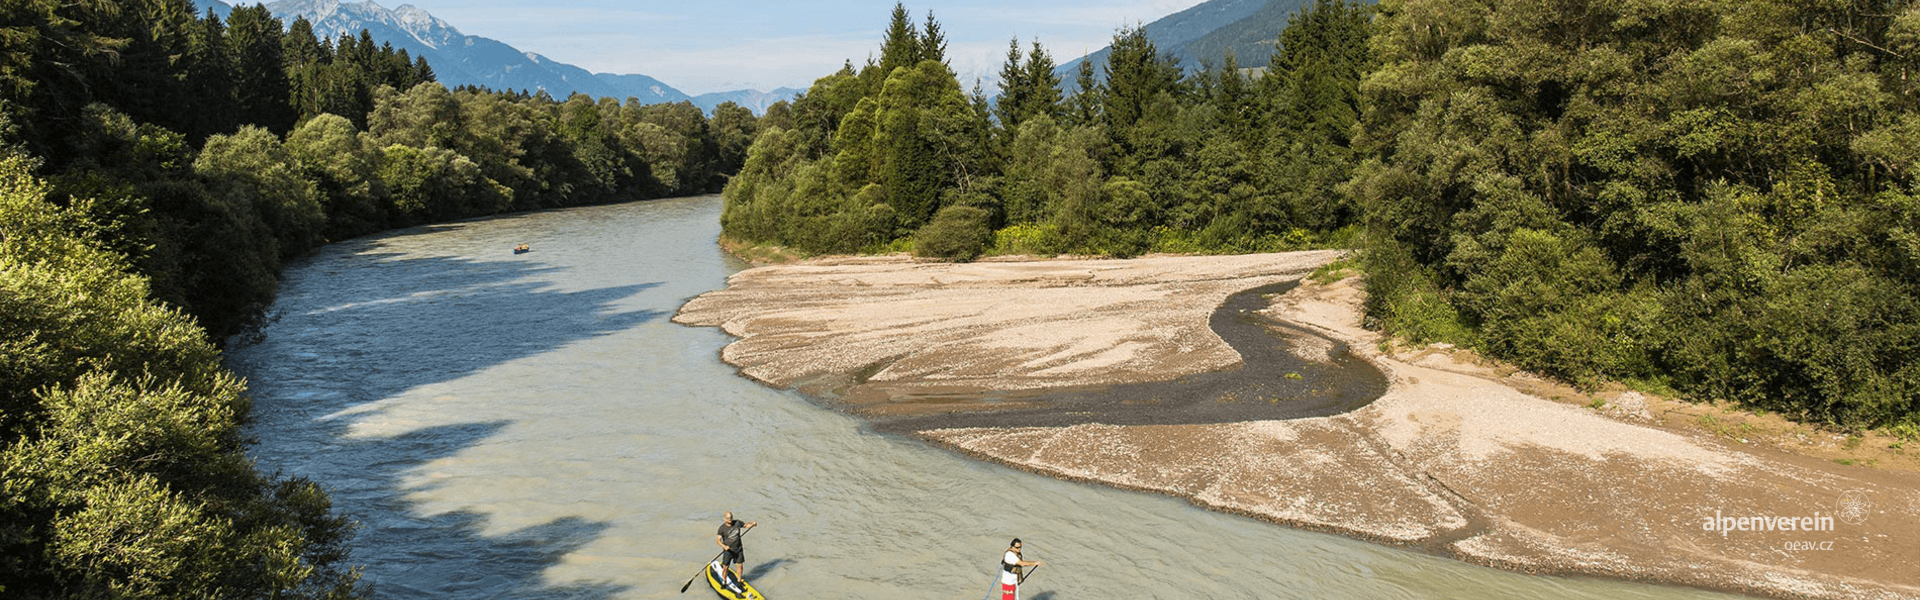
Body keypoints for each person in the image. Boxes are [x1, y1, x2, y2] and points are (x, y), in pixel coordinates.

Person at [715, 511, 757, 582]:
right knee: (725, 567)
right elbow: (718, 540)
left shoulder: (737, 523)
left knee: (740, 566)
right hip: (728, 551)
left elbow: (746, 525)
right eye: (728, 518)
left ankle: (739, 581)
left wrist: (752, 524)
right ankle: (724, 581)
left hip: (738, 549)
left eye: (731, 518)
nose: (730, 520)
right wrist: (724, 546)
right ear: (724, 519)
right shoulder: (722, 528)